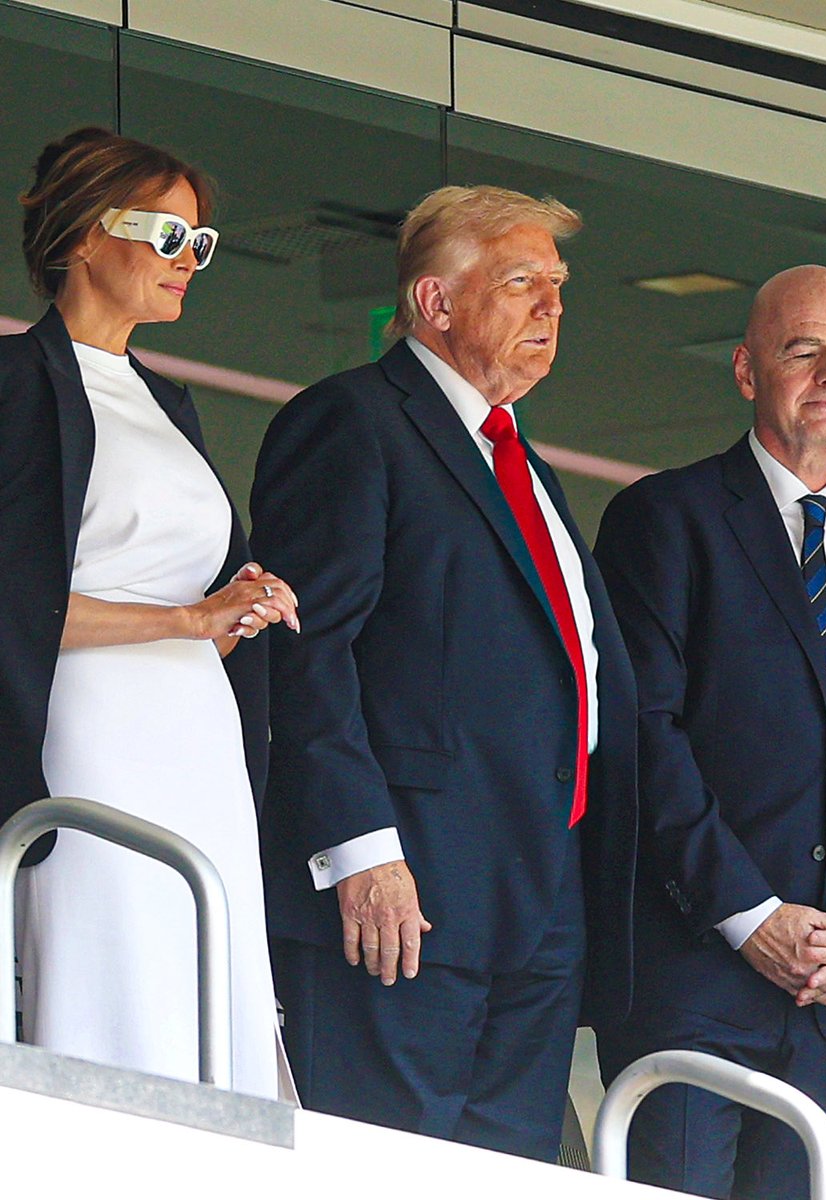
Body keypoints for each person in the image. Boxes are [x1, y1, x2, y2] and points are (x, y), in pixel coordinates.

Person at [249, 185, 638, 1160]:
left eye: (558, 286)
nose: (552, 308)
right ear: (436, 302)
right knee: (382, 1170)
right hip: (403, 894)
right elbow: (307, 649)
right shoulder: (354, 422)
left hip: (539, 903)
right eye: (521, 283)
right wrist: (358, 851)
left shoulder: (521, 459)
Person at [591, 265, 826, 1200]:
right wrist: (751, 917)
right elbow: (643, 736)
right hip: (692, 981)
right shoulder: (664, 519)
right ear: (747, 370)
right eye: (805, 349)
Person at [3, 127, 299, 1098]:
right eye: (168, 236)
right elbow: (16, 601)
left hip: (197, 735)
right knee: (117, 962)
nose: (188, 261)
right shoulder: (15, 383)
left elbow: (193, 589)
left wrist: (241, 605)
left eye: (199, 243)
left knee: (206, 964)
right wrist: (186, 622)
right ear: (87, 235)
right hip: (90, 730)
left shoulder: (169, 400)